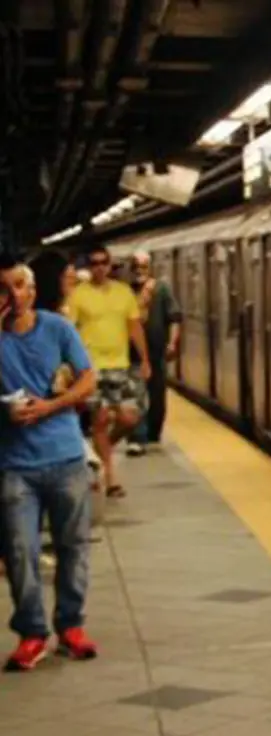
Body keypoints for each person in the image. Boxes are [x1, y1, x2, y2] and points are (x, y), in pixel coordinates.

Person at [0, 263, 99, 670]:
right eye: (4, 289)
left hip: (65, 458)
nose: (14, 294)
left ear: (34, 289)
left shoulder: (57, 329)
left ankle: (71, 626)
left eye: (20, 285)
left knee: (73, 547)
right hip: (14, 465)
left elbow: (88, 378)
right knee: (20, 551)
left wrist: (51, 406)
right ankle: (32, 633)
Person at [66, 246, 150, 498]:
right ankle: (111, 477)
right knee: (100, 420)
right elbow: (69, 331)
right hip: (91, 366)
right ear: (89, 266)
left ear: (110, 265)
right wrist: (70, 365)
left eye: (103, 262)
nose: (99, 267)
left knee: (129, 418)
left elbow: (134, 327)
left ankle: (100, 450)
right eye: (94, 263)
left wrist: (145, 359)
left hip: (120, 364)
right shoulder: (78, 295)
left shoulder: (124, 293)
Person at [126, 252, 180, 456]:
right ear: (130, 269)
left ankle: (153, 433)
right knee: (136, 395)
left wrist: (173, 343)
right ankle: (137, 436)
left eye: (143, 266)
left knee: (157, 396)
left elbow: (174, 317)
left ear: (150, 268)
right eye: (136, 266)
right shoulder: (126, 292)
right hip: (133, 354)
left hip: (157, 353)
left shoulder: (162, 289)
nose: (139, 270)